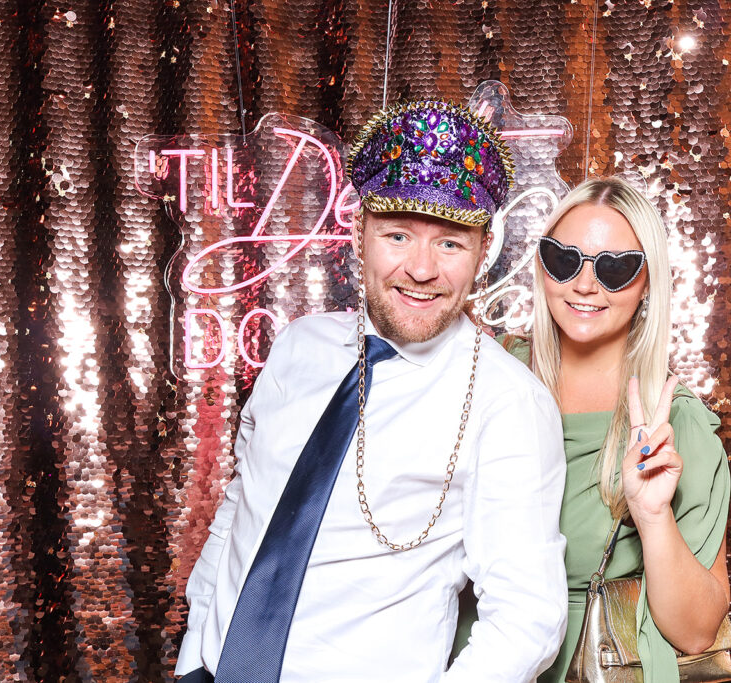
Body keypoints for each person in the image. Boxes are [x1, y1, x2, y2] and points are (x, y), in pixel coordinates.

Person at [174, 100, 568, 683]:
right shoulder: (297, 348)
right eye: (399, 235)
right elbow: (243, 508)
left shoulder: (507, 403)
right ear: (358, 234)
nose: (422, 268)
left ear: (484, 252)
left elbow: (526, 619)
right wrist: (193, 654)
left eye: (451, 244)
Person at [455, 176, 731, 681]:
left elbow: (695, 632)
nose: (584, 285)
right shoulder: (487, 376)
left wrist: (652, 517)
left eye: (615, 269)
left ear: (648, 282)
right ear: (541, 265)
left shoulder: (675, 423)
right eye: (564, 259)